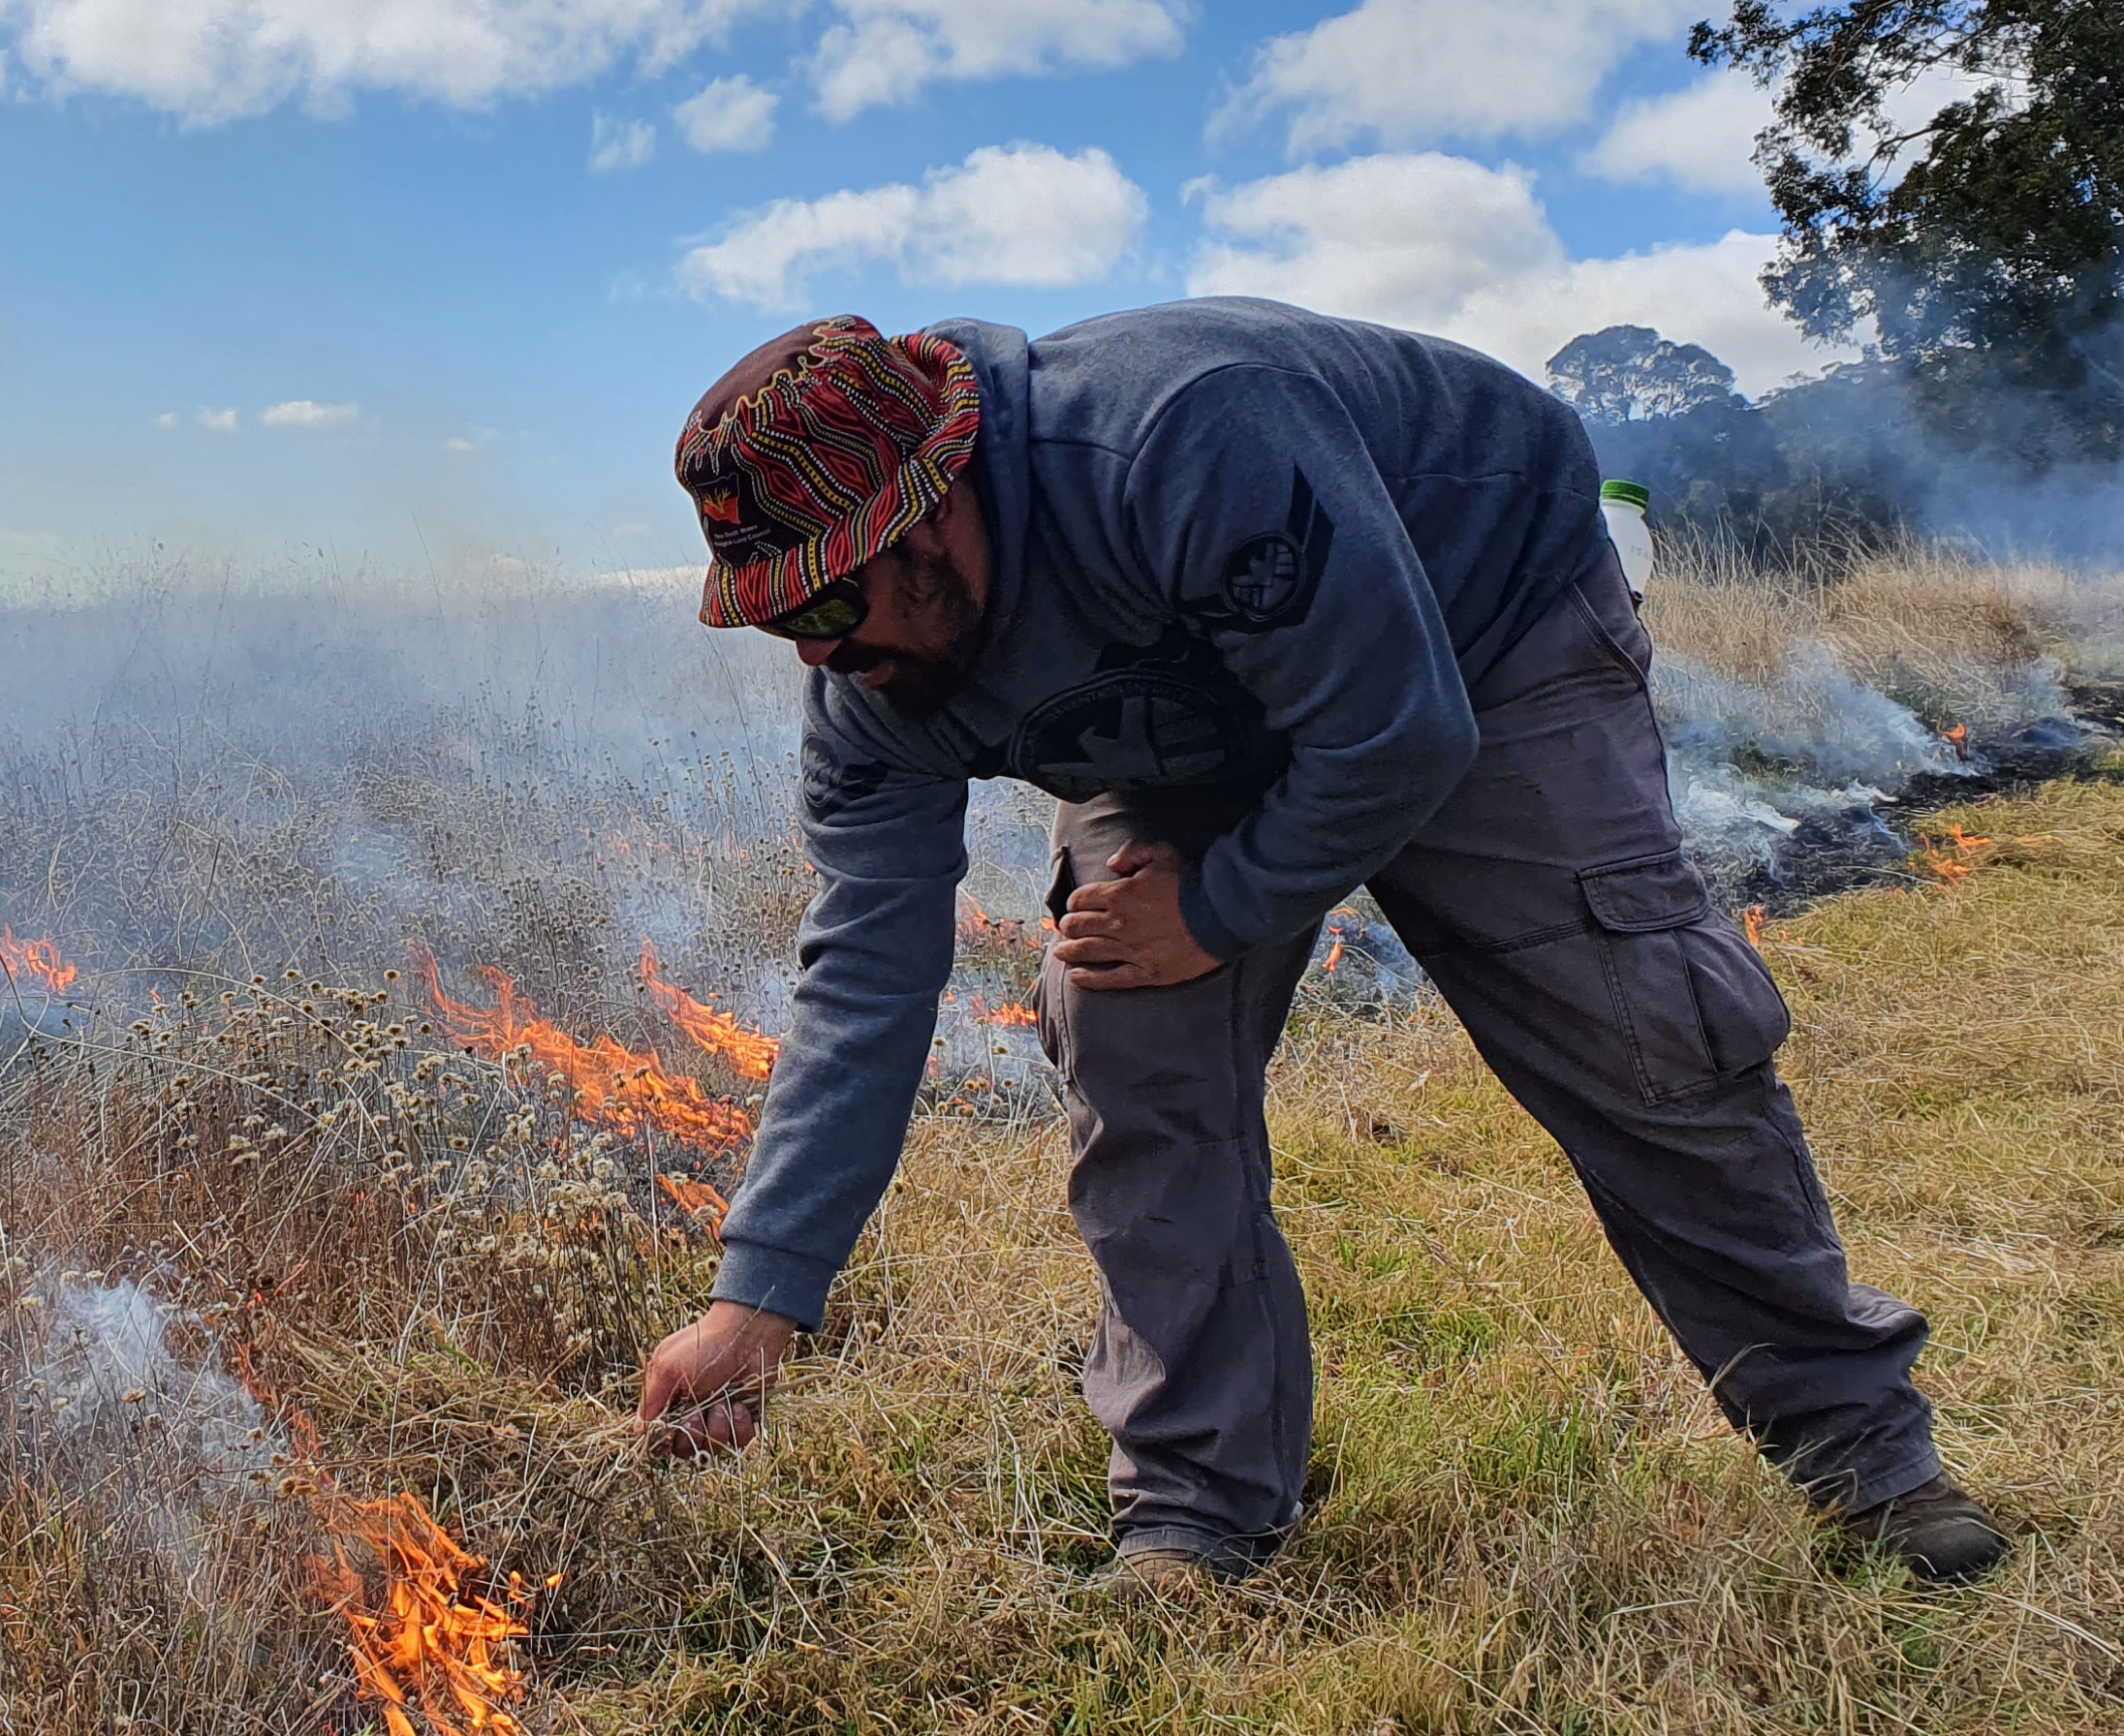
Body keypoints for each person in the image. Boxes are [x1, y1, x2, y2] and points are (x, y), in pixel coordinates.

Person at [631, 299, 2008, 1587]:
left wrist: (1220, 911)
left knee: (1634, 1020)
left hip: (1479, 631)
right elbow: (863, 975)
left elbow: (1399, 732)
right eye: (775, 620)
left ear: (936, 514)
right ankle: (1198, 1510)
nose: (811, 656)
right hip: (1186, 719)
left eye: (823, 604)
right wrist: (762, 1297)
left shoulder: (1180, 440)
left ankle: (1866, 1458)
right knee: (1124, 1022)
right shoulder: (873, 690)